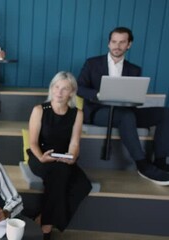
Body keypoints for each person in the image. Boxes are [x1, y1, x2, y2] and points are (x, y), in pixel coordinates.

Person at [77, 26, 169, 185]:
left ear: (129, 45)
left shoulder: (134, 69)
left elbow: (134, 99)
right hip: (98, 111)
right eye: (114, 42)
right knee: (126, 116)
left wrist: (135, 98)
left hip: (127, 111)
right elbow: (79, 87)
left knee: (165, 113)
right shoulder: (92, 63)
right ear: (108, 43)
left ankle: (160, 162)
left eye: (122, 42)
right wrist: (97, 94)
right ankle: (143, 165)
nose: (117, 46)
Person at [27, 71, 92, 240]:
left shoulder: (77, 113)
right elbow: (32, 142)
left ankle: (43, 217)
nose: (59, 92)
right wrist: (41, 157)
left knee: (83, 185)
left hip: (63, 157)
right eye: (56, 87)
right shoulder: (40, 110)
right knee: (60, 174)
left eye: (65, 88)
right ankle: (46, 228)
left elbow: (75, 143)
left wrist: (72, 157)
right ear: (51, 88)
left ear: (72, 92)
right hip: (40, 156)